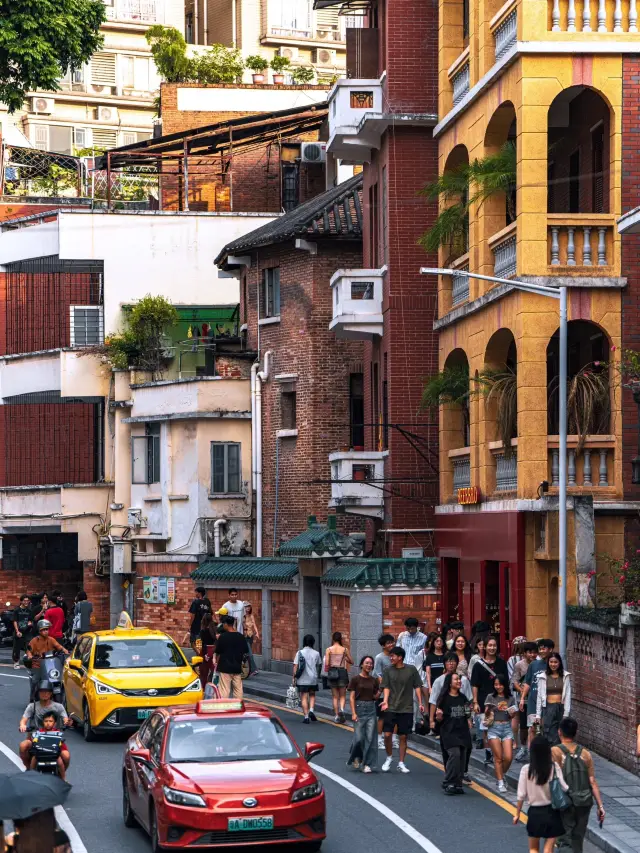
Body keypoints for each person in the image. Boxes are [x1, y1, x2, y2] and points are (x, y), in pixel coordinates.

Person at [552, 718, 605, 853]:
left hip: (565, 802)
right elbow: (592, 781)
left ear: (559, 732)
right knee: (578, 838)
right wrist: (600, 806)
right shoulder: (585, 754)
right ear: (576, 733)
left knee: (564, 840)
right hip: (584, 802)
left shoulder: (554, 752)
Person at [514, 735, 569, 853]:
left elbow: (521, 794)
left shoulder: (526, 769)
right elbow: (564, 787)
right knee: (548, 848)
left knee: (533, 848)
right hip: (552, 812)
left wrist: (517, 814)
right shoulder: (554, 767)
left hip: (534, 813)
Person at [430, 653, 473, 782]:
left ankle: (461, 773)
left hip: (461, 724)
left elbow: (467, 703)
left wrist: (469, 719)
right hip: (447, 725)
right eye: (448, 661)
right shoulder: (439, 681)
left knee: (466, 749)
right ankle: (450, 777)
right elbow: (433, 701)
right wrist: (432, 720)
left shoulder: (463, 681)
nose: (451, 664)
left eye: (453, 661)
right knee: (451, 752)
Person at [380, 646, 423, 774]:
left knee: (403, 736)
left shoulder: (411, 670)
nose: (390, 658)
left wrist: (420, 703)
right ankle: (389, 757)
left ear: (400, 657)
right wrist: (385, 701)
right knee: (387, 734)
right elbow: (386, 686)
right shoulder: (388, 670)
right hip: (391, 707)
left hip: (406, 708)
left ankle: (401, 762)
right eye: (390, 656)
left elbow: (417, 686)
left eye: (393, 656)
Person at [470, 635, 508, 764]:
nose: (492, 648)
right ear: (484, 647)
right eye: (490, 645)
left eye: (494, 645)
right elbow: (474, 684)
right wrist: (475, 702)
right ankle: (489, 753)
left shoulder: (502, 663)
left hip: (500, 700)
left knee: (499, 726)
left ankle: (497, 752)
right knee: (486, 729)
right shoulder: (478, 665)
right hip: (483, 700)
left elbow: (506, 683)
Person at [19, 680, 70, 774]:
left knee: (66, 756)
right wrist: (23, 725)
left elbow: (65, 719)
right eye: (42, 691)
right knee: (23, 746)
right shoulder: (32, 706)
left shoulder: (58, 707)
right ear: (38, 693)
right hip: (35, 738)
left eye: (47, 692)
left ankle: (61, 775)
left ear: (51, 694)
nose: (45, 694)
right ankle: (28, 769)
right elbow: (24, 719)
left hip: (54, 739)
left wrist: (67, 722)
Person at [436, 672, 473, 795]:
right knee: (455, 754)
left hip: (462, 731)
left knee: (462, 757)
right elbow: (439, 717)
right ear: (450, 683)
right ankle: (448, 781)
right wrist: (438, 717)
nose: (459, 681)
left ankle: (457, 783)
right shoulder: (443, 699)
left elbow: (467, 712)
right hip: (448, 731)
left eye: (459, 679)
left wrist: (469, 718)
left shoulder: (463, 698)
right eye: (456, 679)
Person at [484, 674, 518, 792]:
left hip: (507, 727)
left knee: (508, 757)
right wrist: (489, 710)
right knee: (498, 757)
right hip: (494, 727)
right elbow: (486, 714)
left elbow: (513, 714)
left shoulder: (510, 698)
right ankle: (500, 782)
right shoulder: (490, 697)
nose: (498, 687)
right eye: (496, 684)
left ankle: (501, 775)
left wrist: (511, 713)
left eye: (500, 684)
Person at [520, 638, 555, 747]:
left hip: (548, 703)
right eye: (540, 649)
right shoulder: (534, 665)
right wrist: (522, 698)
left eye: (544, 648)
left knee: (545, 729)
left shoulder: (554, 664)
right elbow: (528, 683)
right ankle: (533, 757)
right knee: (533, 729)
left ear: (551, 649)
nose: (542, 651)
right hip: (533, 702)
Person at [347, 655, 379, 773]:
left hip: (371, 709)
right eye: (367, 663)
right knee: (359, 738)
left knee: (370, 738)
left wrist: (381, 689)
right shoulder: (355, 679)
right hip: (359, 709)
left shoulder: (374, 680)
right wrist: (353, 713)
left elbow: (375, 697)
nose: (369, 665)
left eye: (371, 663)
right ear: (361, 664)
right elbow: (351, 698)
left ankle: (366, 763)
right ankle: (356, 756)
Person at [536, 652, 571, 745]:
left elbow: (567, 695)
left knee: (562, 734)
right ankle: (551, 756)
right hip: (548, 708)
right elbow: (539, 696)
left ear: (559, 663)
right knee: (549, 734)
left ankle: (559, 756)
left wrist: (566, 713)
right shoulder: (543, 677)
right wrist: (538, 715)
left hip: (561, 708)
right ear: (548, 663)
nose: (553, 664)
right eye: (551, 662)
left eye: (555, 662)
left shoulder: (565, 676)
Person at [26, 620, 67, 699]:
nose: (46, 631)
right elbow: (29, 651)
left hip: (50, 664)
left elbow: (59, 647)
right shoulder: (34, 640)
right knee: (35, 680)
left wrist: (65, 650)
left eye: (47, 629)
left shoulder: (51, 639)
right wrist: (30, 656)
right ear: (39, 631)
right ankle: (32, 699)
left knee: (57, 677)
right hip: (38, 664)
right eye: (43, 630)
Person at [512, 641, 538, 761]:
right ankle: (523, 748)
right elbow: (515, 681)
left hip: (536, 700)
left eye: (534, 652)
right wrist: (522, 691)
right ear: (524, 653)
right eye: (530, 652)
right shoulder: (519, 665)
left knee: (535, 725)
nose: (532, 655)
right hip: (523, 700)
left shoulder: (540, 664)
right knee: (523, 725)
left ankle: (535, 749)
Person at [214, 615, 247, 699]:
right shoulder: (241, 636)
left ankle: (223, 707)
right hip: (237, 666)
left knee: (225, 689)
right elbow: (245, 651)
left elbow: (218, 651)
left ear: (225, 624)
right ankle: (238, 705)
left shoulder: (223, 637)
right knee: (238, 689)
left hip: (225, 667)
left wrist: (216, 661)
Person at [29, 711, 68, 780]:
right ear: (43, 722)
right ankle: (31, 776)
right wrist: (34, 740)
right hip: (41, 753)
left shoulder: (57, 733)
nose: (48, 723)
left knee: (60, 762)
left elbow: (61, 744)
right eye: (46, 721)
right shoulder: (39, 732)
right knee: (34, 760)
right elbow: (33, 740)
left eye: (50, 721)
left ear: (54, 723)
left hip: (54, 754)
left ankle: (63, 778)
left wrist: (60, 742)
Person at [324, 632, 353, 724]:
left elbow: (327, 663)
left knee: (335, 696)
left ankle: (336, 716)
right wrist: (344, 658)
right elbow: (351, 661)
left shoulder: (328, 649)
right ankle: (342, 711)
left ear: (333, 639)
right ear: (341, 639)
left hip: (333, 672)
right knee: (343, 696)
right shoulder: (345, 649)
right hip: (342, 672)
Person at [293, 635, 321, 724]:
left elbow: (295, 666)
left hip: (302, 678)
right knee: (312, 695)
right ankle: (311, 710)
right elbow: (318, 664)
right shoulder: (316, 653)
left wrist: (294, 678)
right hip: (313, 678)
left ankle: (306, 717)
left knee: (304, 697)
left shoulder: (299, 652)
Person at [373, 633, 395, 747]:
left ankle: (394, 739)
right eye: (388, 643)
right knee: (382, 716)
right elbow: (377, 674)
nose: (391, 644)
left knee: (395, 715)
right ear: (383, 646)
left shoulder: (395, 656)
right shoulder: (379, 657)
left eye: (392, 642)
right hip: (384, 692)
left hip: (396, 692)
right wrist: (383, 688)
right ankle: (379, 739)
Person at [12, 594, 33, 670]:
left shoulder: (29, 611)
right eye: (25, 600)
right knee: (16, 648)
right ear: (21, 601)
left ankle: (28, 661)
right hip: (19, 631)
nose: (26, 602)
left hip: (27, 632)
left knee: (28, 647)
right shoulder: (17, 610)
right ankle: (16, 662)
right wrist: (17, 631)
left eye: (27, 600)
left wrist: (30, 623)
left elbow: (31, 619)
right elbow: (15, 621)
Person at [198, 613, 217, 687]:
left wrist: (203, 654)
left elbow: (201, 644)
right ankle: (213, 688)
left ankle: (203, 689)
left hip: (205, 652)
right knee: (214, 672)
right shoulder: (215, 629)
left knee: (203, 674)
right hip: (214, 652)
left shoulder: (203, 631)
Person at [243, 604, 259, 676]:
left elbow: (254, 625)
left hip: (250, 636)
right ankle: (254, 669)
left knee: (247, 653)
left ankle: (248, 669)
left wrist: (257, 633)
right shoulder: (242, 616)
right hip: (244, 636)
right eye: (246, 607)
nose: (248, 608)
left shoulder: (251, 615)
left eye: (249, 607)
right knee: (249, 653)